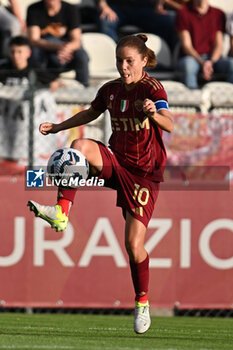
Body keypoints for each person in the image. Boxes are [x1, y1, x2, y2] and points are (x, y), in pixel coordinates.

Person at [27, 34, 174, 334]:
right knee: (78, 146)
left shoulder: (152, 88)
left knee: (134, 248)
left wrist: (154, 116)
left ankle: (142, 301)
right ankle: (61, 212)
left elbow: (170, 123)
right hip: (116, 160)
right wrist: (57, 126)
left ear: (144, 61)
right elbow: (90, 113)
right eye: (120, 60)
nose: (123, 66)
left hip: (144, 174)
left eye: (129, 61)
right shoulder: (110, 90)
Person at [26, 0, 90, 87]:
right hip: (46, 50)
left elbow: (77, 40)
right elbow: (34, 40)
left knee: (82, 55)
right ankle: (40, 86)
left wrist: (66, 48)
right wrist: (58, 46)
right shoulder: (34, 9)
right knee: (34, 53)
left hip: (66, 51)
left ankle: (84, 88)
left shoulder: (71, 9)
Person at [175, 0, 233, 89]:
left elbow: (219, 44)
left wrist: (211, 62)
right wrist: (202, 62)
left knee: (231, 64)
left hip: (213, 59)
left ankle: (229, 98)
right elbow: (187, 46)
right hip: (192, 58)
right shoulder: (183, 12)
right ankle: (192, 100)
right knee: (188, 66)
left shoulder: (218, 13)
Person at [97, 0, 178, 51]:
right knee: (106, 20)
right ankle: (116, 56)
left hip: (145, 8)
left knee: (169, 21)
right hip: (117, 8)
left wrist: (159, 3)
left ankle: (166, 58)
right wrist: (104, 6)